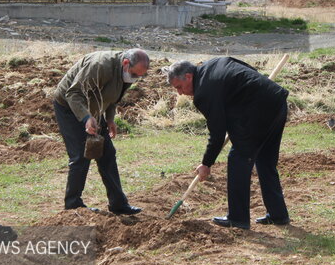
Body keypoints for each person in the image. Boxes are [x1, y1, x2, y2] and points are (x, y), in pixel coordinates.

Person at [165, 57, 290, 229]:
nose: (180, 93)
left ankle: (237, 218)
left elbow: (217, 133)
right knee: (265, 161)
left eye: (179, 87)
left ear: (188, 76)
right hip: (276, 101)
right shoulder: (216, 63)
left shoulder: (203, 93)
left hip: (258, 111)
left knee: (238, 159)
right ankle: (278, 215)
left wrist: (206, 163)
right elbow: (247, 69)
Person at [53, 49, 149, 214]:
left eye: (139, 76)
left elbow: (112, 97)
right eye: (134, 74)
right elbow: (73, 94)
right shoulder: (99, 66)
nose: (135, 79)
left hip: (93, 108)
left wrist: (110, 119)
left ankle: (118, 204)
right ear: (126, 63)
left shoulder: (127, 73)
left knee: (107, 153)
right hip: (69, 107)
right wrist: (86, 118)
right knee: (80, 155)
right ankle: (72, 205)